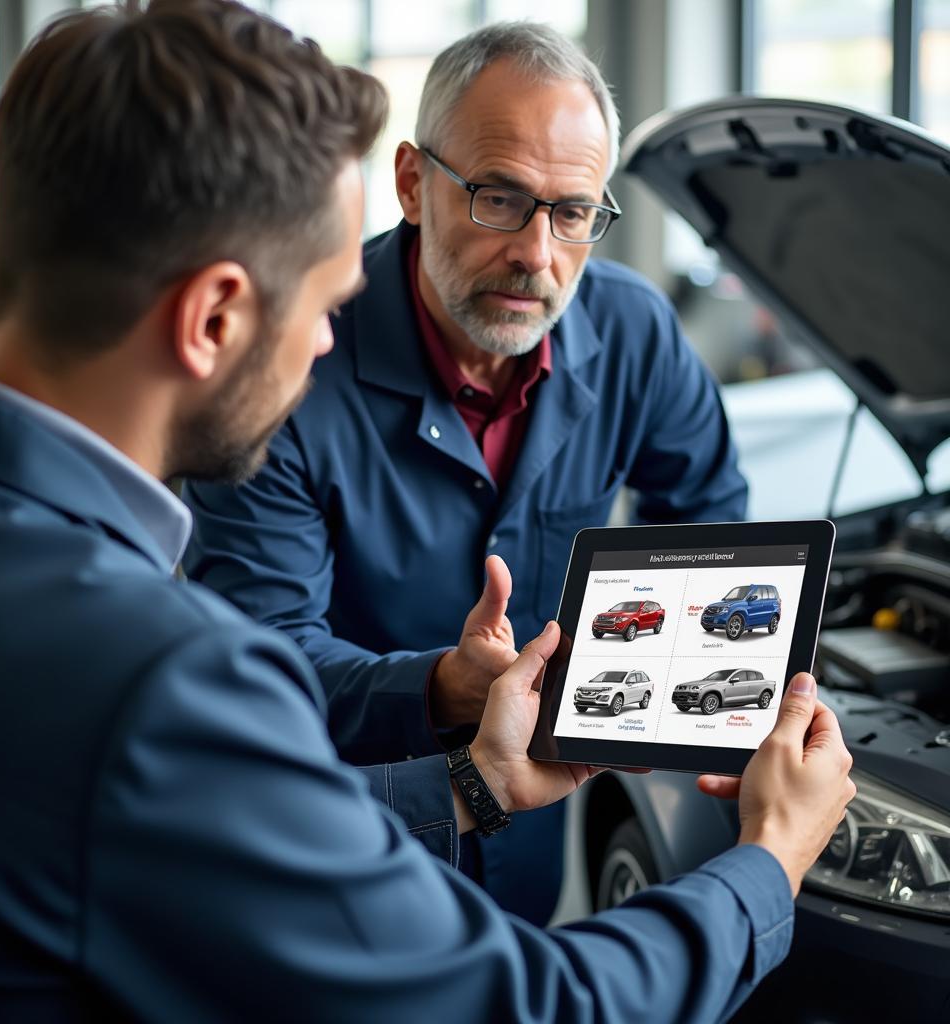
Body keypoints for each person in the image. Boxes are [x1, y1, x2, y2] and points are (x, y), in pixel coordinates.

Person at [0, 2, 855, 1020]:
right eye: (324, 309)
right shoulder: (157, 680)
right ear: (215, 318)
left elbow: (233, 835)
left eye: (573, 213)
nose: (329, 345)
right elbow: (531, 1006)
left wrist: (480, 781)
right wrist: (771, 859)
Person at [184, 21, 749, 924]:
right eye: (498, 197)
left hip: (531, 848)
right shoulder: (286, 366)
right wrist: (443, 684)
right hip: (337, 848)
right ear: (412, 183)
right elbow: (261, 653)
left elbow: (711, 528)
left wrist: (710, 708)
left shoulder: (636, 333)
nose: (538, 254)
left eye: (573, 213)